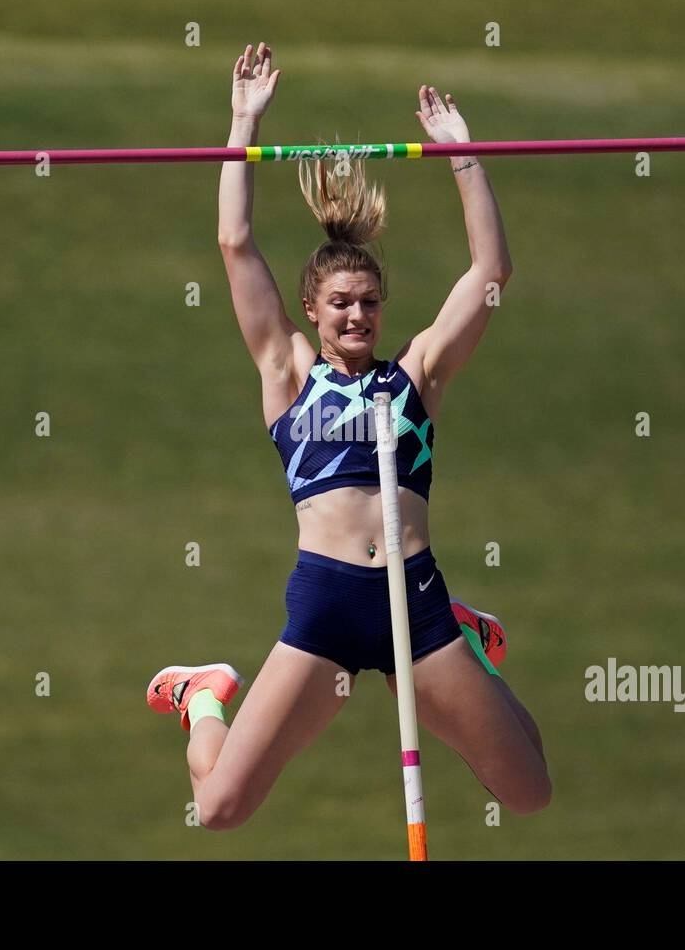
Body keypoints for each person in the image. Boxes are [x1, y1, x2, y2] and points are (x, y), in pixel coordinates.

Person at [147, 42, 550, 831]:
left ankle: (464, 638)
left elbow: (491, 270)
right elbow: (234, 243)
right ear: (312, 309)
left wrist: (461, 154)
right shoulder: (290, 374)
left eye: (368, 301)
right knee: (219, 806)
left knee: (529, 788)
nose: (357, 315)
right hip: (329, 604)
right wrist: (242, 122)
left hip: (418, 602)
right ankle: (202, 697)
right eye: (340, 303)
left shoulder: (418, 376)